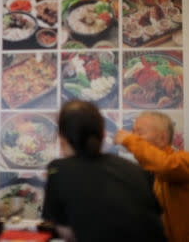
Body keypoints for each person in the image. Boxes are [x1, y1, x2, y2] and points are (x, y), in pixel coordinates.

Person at [42, 100, 166, 242]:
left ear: (61, 137)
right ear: (102, 135)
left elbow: (67, 233)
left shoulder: (57, 169)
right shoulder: (136, 170)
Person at [114, 111, 189, 242]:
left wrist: (129, 140)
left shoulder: (183, 160)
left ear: (162, 138)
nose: (134, 136)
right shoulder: (144, 172)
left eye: (140, 132)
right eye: (133, 132)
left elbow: (165, 166)